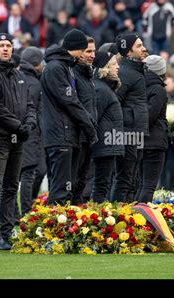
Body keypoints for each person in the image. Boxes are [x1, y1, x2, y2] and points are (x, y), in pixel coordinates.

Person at [0, 33, 36, 250]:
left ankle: (7, 233)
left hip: (18, 139)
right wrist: (18, 125)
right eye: (2, 45)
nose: (6, 49)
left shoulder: (17, 74)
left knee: (11, 187)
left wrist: (29, 123)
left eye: (9, 46)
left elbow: (30, 104)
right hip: (0, 139)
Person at [41, 28, 98, 205]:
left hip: (67, 135)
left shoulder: (65, 67)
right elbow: (70, 102)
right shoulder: (55, 68)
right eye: (84, 49)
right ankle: (50, 231)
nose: (85, 54)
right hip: (60, 136)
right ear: (76, 48)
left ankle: (60, 230)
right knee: (60, 191)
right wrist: (89, 127)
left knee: (68, 189)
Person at [111, 33, 149, 203]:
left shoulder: (137, 71)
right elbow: (115, 103)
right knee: (124, 179)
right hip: (127, 133)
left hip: (136, 132)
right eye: (139, 46)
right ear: (128, 52)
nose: (144, 49)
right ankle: (116, 218)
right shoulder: (126, 73)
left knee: (133, 179)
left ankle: (130, 219)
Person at [90, 51, 124, 203]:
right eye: (113, 64)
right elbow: (93, 117)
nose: (117, 67)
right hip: (103, 145)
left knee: (104, 183)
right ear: (104, 67)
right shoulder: (101, 89)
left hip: (108, 144)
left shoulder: (105, 87)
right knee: (101, 184)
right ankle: (97, 216)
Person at [18, 47, 46, 216]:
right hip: (31, 134)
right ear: (35, 63)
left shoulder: (23, 79)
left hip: (27, 133)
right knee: (30, 172)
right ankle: (27, 212)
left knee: (33, 171)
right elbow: (35, 111)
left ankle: (23, 211)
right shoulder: (34, 84)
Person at [136, 55, 168, 203]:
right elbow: (150, 116)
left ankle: (133, 216)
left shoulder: (138, 84)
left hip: (139, 141)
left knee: (140, 184)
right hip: (154, 142)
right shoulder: (158, 89)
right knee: (148, 185)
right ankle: (142, 218)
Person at [72, 37, 97, 204]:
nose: (92, 55)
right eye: (88, 51)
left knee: (83, 179)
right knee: (73, 180)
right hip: (77, 135)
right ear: (79, 53)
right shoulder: (73, 74)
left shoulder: (88, 75)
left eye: (94, 51)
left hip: (88, 134)